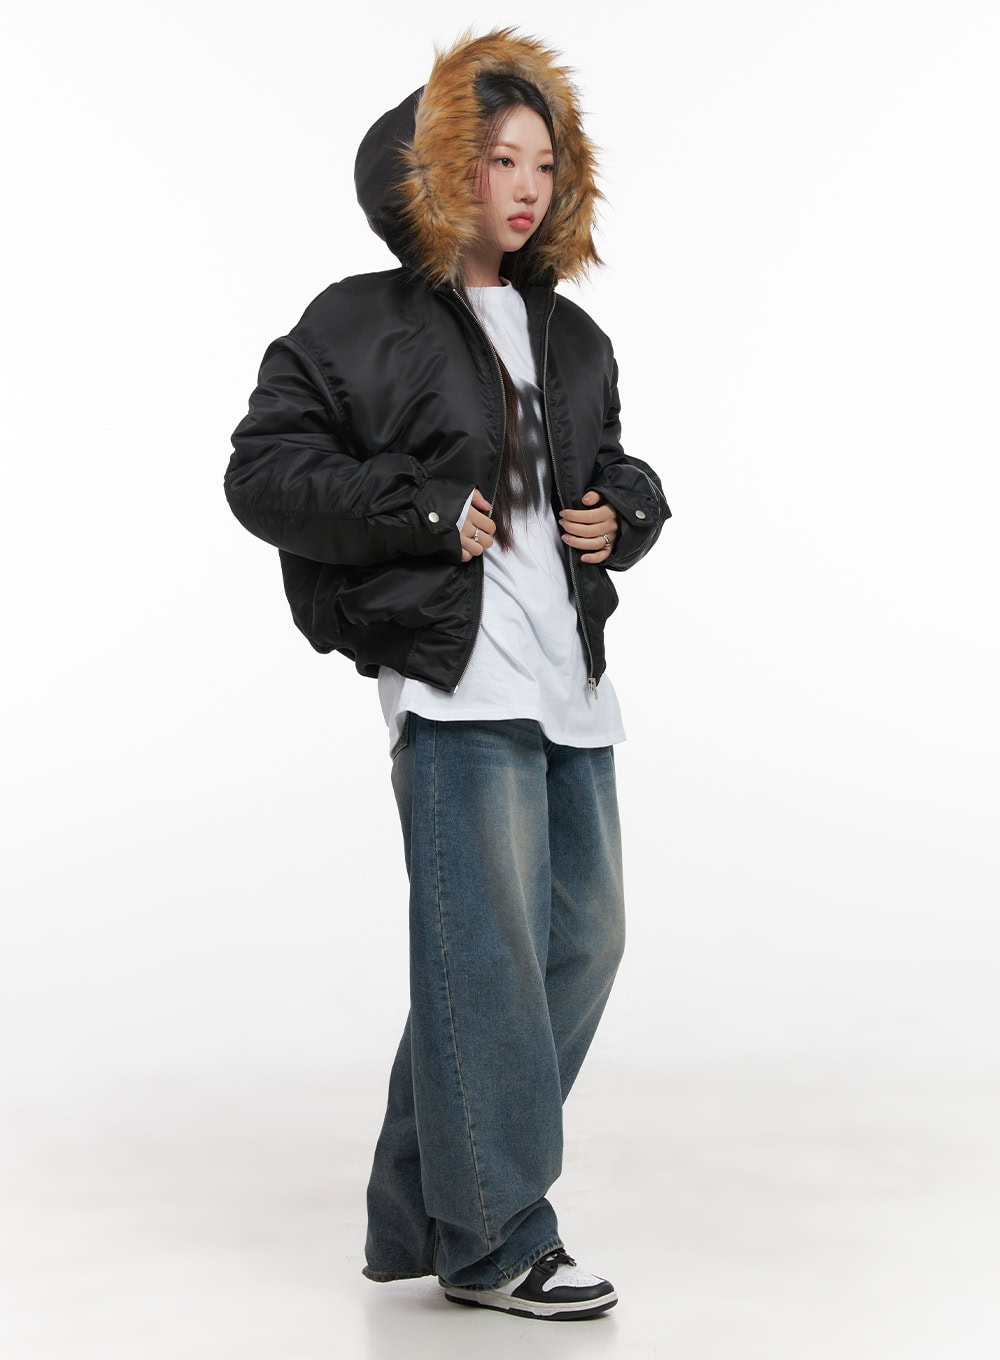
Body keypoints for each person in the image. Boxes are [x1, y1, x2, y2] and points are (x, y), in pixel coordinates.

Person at [225, 28, 670, 1321]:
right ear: (439, 168)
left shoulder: (574, 338)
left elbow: (616, 466)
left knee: (584, 939)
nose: (525, 187)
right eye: (498, 160)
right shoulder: (359, 321)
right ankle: (495, 1236)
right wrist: (422, 512)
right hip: (454, 681)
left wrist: (626, 512)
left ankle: (431, 1195)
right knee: (487, 959)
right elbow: (265, 472)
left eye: (544, 163)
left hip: (568, 684)